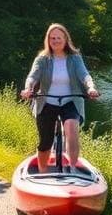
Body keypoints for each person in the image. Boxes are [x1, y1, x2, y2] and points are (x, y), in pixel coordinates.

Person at [19, 23, 99, 173]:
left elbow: (84, 75)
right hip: (47, 102)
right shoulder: (42, 59)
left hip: (70, 101)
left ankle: (73, 169)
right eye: (52, 38)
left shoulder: (75, 58)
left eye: (59, 38)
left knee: (71, 128)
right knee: (46, 141)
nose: (55, 41)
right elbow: (32, 77)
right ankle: (42, 172)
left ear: (65, 39)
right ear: (48, 40)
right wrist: (28, 88)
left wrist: (91, 88)